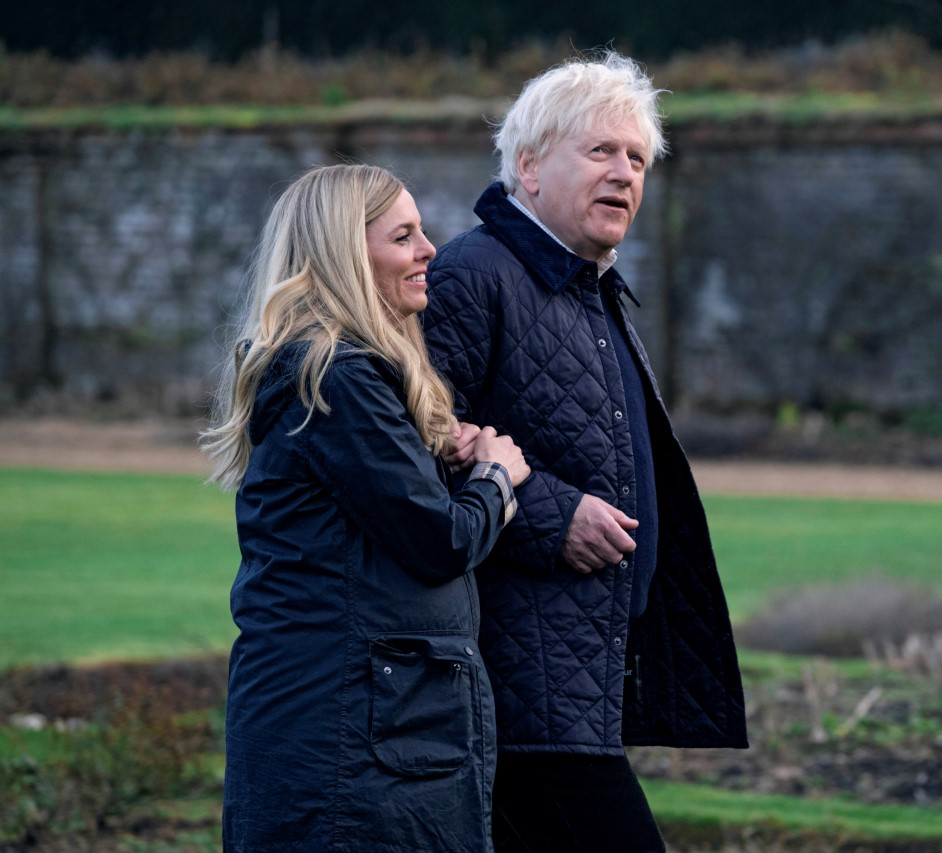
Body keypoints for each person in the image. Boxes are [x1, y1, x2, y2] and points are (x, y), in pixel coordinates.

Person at [422, 51, 748, 851]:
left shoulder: (590, 288)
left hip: (578, 679)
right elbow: (418, 444)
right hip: (515, 682)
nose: (625, 173)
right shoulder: (474, 275)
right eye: (600, 151)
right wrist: (551, 513)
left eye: (637, 158)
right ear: (528, 167)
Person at [201, 163, 529, 852]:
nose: (429, 250)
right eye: (404, 235)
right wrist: (497, 480)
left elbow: (370, 520)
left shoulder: (336, 373)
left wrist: (439, 455)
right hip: (350, 738)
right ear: (347, 256)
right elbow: (437, 541)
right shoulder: (337, 375)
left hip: (363, 727)